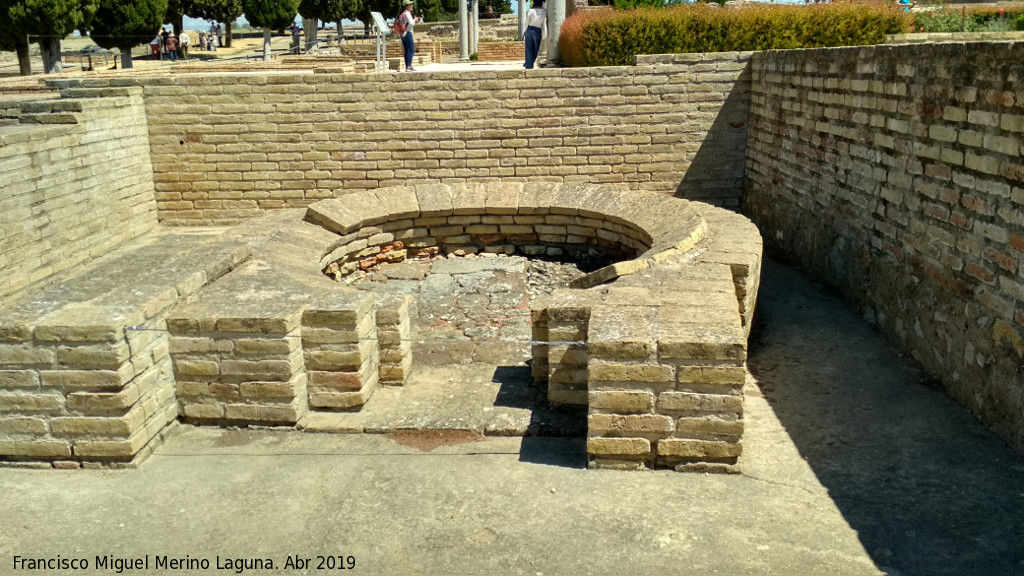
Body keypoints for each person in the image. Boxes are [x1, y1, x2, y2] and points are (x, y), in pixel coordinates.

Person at [523, 0, 546, 70]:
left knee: (529, 49)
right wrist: (546, 34)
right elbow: (544, 24)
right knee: (536, 49)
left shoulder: (531, 11)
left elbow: (526, 22)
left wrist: (524, 32)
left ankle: (528, 65)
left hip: (529, 29)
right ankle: (532, 63)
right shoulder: (545, 12)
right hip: (538, 30)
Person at [398, 0, 416, 71]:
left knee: (407, 50)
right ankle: (409, 66)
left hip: (402, 34)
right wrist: (415, 20)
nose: (412, 6)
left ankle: (408, 66)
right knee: (411, 49)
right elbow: (411, 23)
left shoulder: (402, 14)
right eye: (410, 5)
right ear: (407, 6)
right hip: (408, 32)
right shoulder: (407, 13)